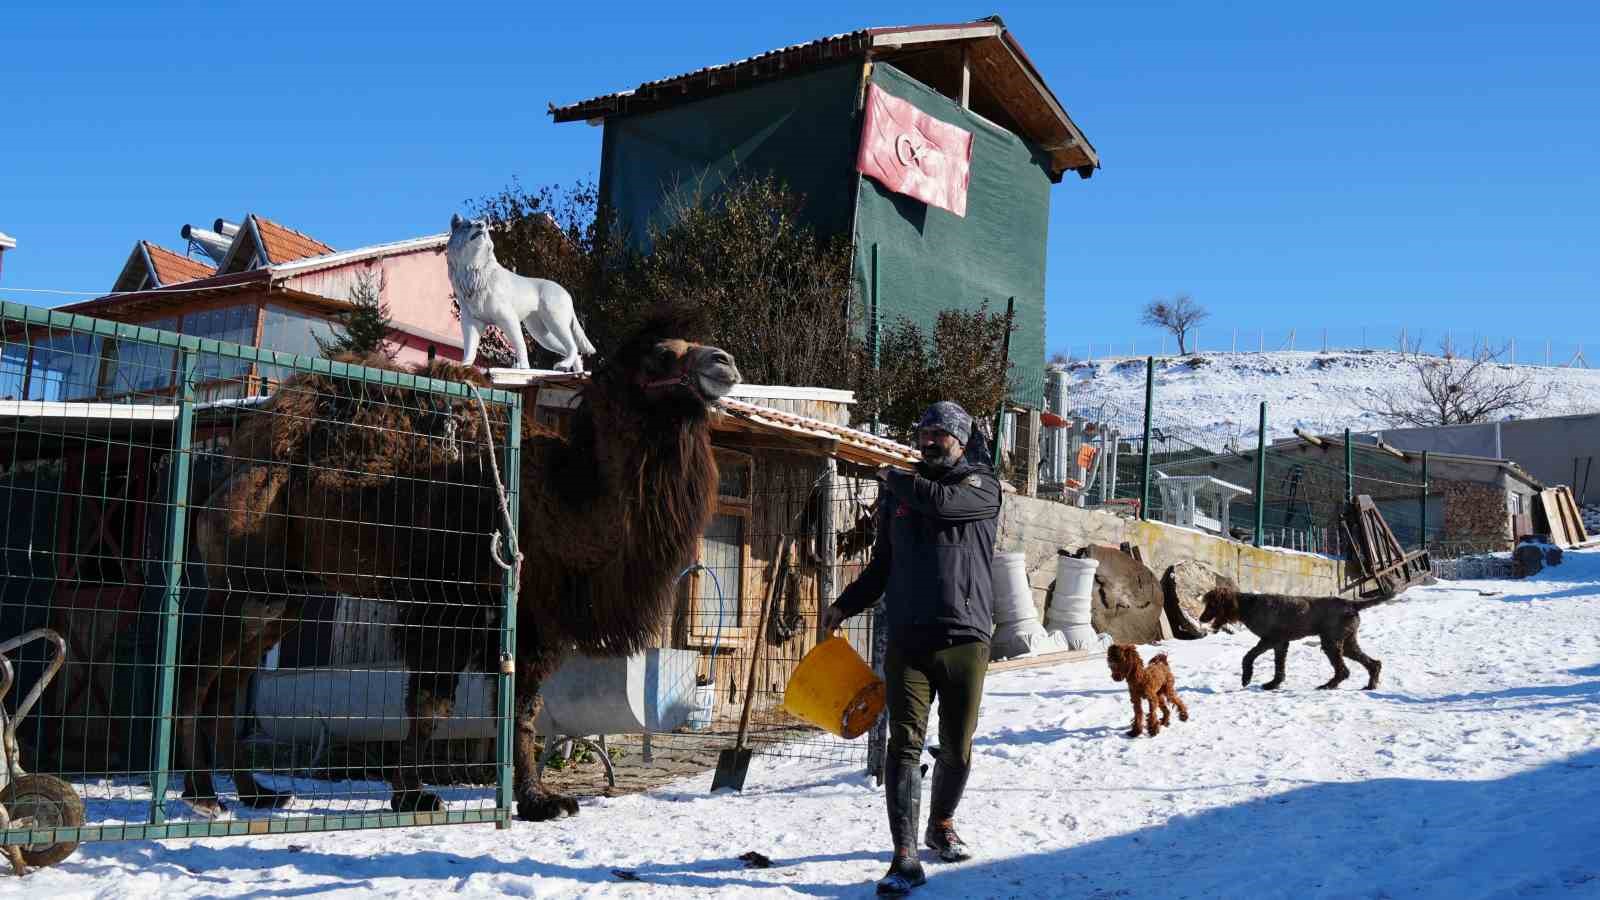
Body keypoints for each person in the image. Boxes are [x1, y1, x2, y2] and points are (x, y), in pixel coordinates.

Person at [822, 401, 1002, 895]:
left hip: (965, 638)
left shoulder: (982, 485)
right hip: (909, 638)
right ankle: (904, 856)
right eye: (922, 434)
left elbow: (941, 504)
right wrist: (844, 605)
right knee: (903, 745)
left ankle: (939, 824)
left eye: (938, 435)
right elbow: (882, 565)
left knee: (958, 749)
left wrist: (890, 476)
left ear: (961, 441)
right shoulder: (900, 497)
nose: (927, 442)